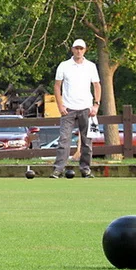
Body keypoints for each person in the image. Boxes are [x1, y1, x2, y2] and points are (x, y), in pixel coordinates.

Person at [50, 38, 101, 178]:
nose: (78, 51)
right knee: (64, 140)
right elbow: (57, 86)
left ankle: (85, 169)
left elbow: (97, 86)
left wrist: (96, 104)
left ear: (85, 50)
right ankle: (58, 169)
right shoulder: (64, 65)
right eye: (76, 48)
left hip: (86, 108)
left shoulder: (90, 66)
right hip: (68, 108)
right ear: (72, 49)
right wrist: (60, 105)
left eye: (81, 48)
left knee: (87, 141)